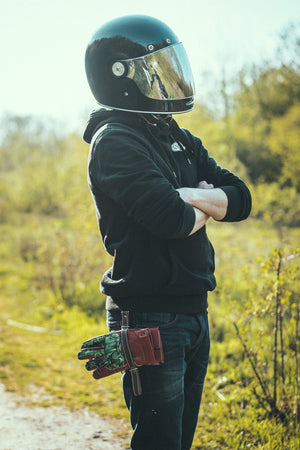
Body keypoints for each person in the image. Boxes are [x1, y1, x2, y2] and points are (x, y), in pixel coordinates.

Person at [82, 14, 252, 450]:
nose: (163, 84)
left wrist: (188, 197)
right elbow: (172, 221)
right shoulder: (114, 140)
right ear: (120, 77)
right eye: (151, 74)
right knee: (159, 442)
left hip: (193, 311)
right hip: (149, 317)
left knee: (181, 439)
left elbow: (241, 199)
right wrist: (204, 202)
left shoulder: (175, 134)